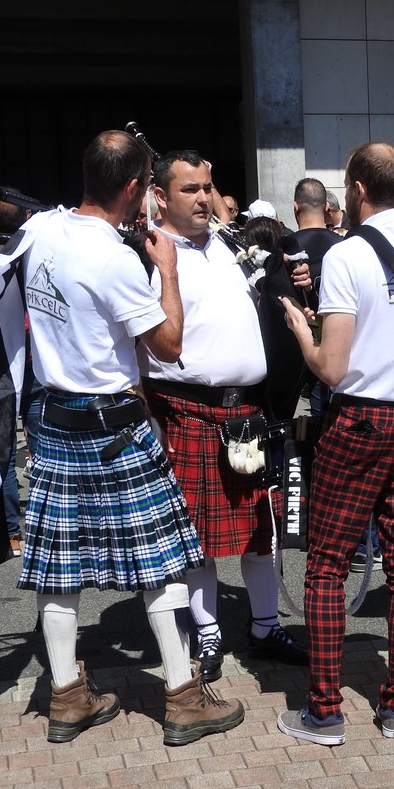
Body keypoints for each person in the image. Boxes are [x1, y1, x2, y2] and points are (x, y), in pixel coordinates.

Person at [19, 130, 244, 746]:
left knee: (57, 569)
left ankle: (66, 694)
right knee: (161, 561)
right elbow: (166, 345)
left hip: (55, 418)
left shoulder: (42, 231)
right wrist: (166, 270)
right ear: (132, 188)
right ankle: (181, 693)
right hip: (114, 425)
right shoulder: (115, 261)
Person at [277, 142, 394, 746]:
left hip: (360, 421)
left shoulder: (350, 254)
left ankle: (325, 711)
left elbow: (331, 369)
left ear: (356, 188)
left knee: (328, 564)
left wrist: (301, 331)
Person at [138, 150, 309, 683]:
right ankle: (207, 635)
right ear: (160, 197)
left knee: (263, 531)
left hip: (250, 412)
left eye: (208, 187)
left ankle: (264, 629)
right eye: (190, 189)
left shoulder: (232, 245)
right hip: (189, 411)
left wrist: (293, 280)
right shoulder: (147, 254)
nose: (204, 198)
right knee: (198, 538)